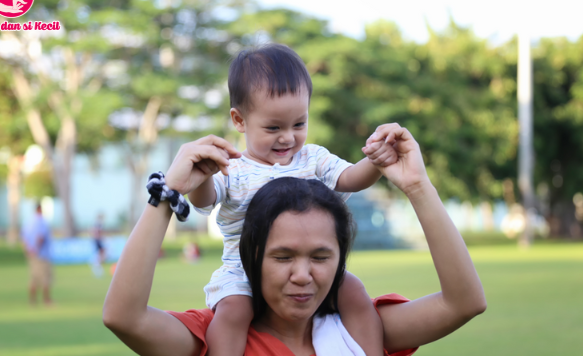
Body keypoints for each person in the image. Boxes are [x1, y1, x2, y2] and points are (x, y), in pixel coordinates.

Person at [103, 126, 487, 355]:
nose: (303, 275)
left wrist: (418, 186)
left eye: (321, 257)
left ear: (341, 256)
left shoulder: (358, 328)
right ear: (253, 255)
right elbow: (123, 317)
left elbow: (464, 302)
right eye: (283, 257)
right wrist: (167, 195)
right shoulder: (221, 335)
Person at [188, 43, 397, 356]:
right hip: (242, 271)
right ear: (240, 120)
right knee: (232, 311)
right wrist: (202, 175)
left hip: (303, 265)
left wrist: (377, 161)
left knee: (352, 289)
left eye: (299, 124)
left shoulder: (312, 158)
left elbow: (351, 178)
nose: (288, 137)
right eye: (273, 127)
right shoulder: (232, 167)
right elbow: (204, 200)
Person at [21, 203, 53, 306]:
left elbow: (24, 238)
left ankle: (32, 301)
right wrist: (36, 249)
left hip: (31, 255)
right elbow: (41, 237)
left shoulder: (28, 221)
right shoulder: (41, 221)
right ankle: (46, 300)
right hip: (41, 254)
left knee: (33, 278)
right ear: (40, 209)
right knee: (45, 278)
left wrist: (28, 250)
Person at [92, 213, 106, 277]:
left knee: (101, 253)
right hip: (98, 240)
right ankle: (96, 265)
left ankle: (97, 265)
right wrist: (99, 238)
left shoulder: (97, 223)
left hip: (97, 240)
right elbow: (98, 231)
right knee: (102, 253)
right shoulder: (99, 223)